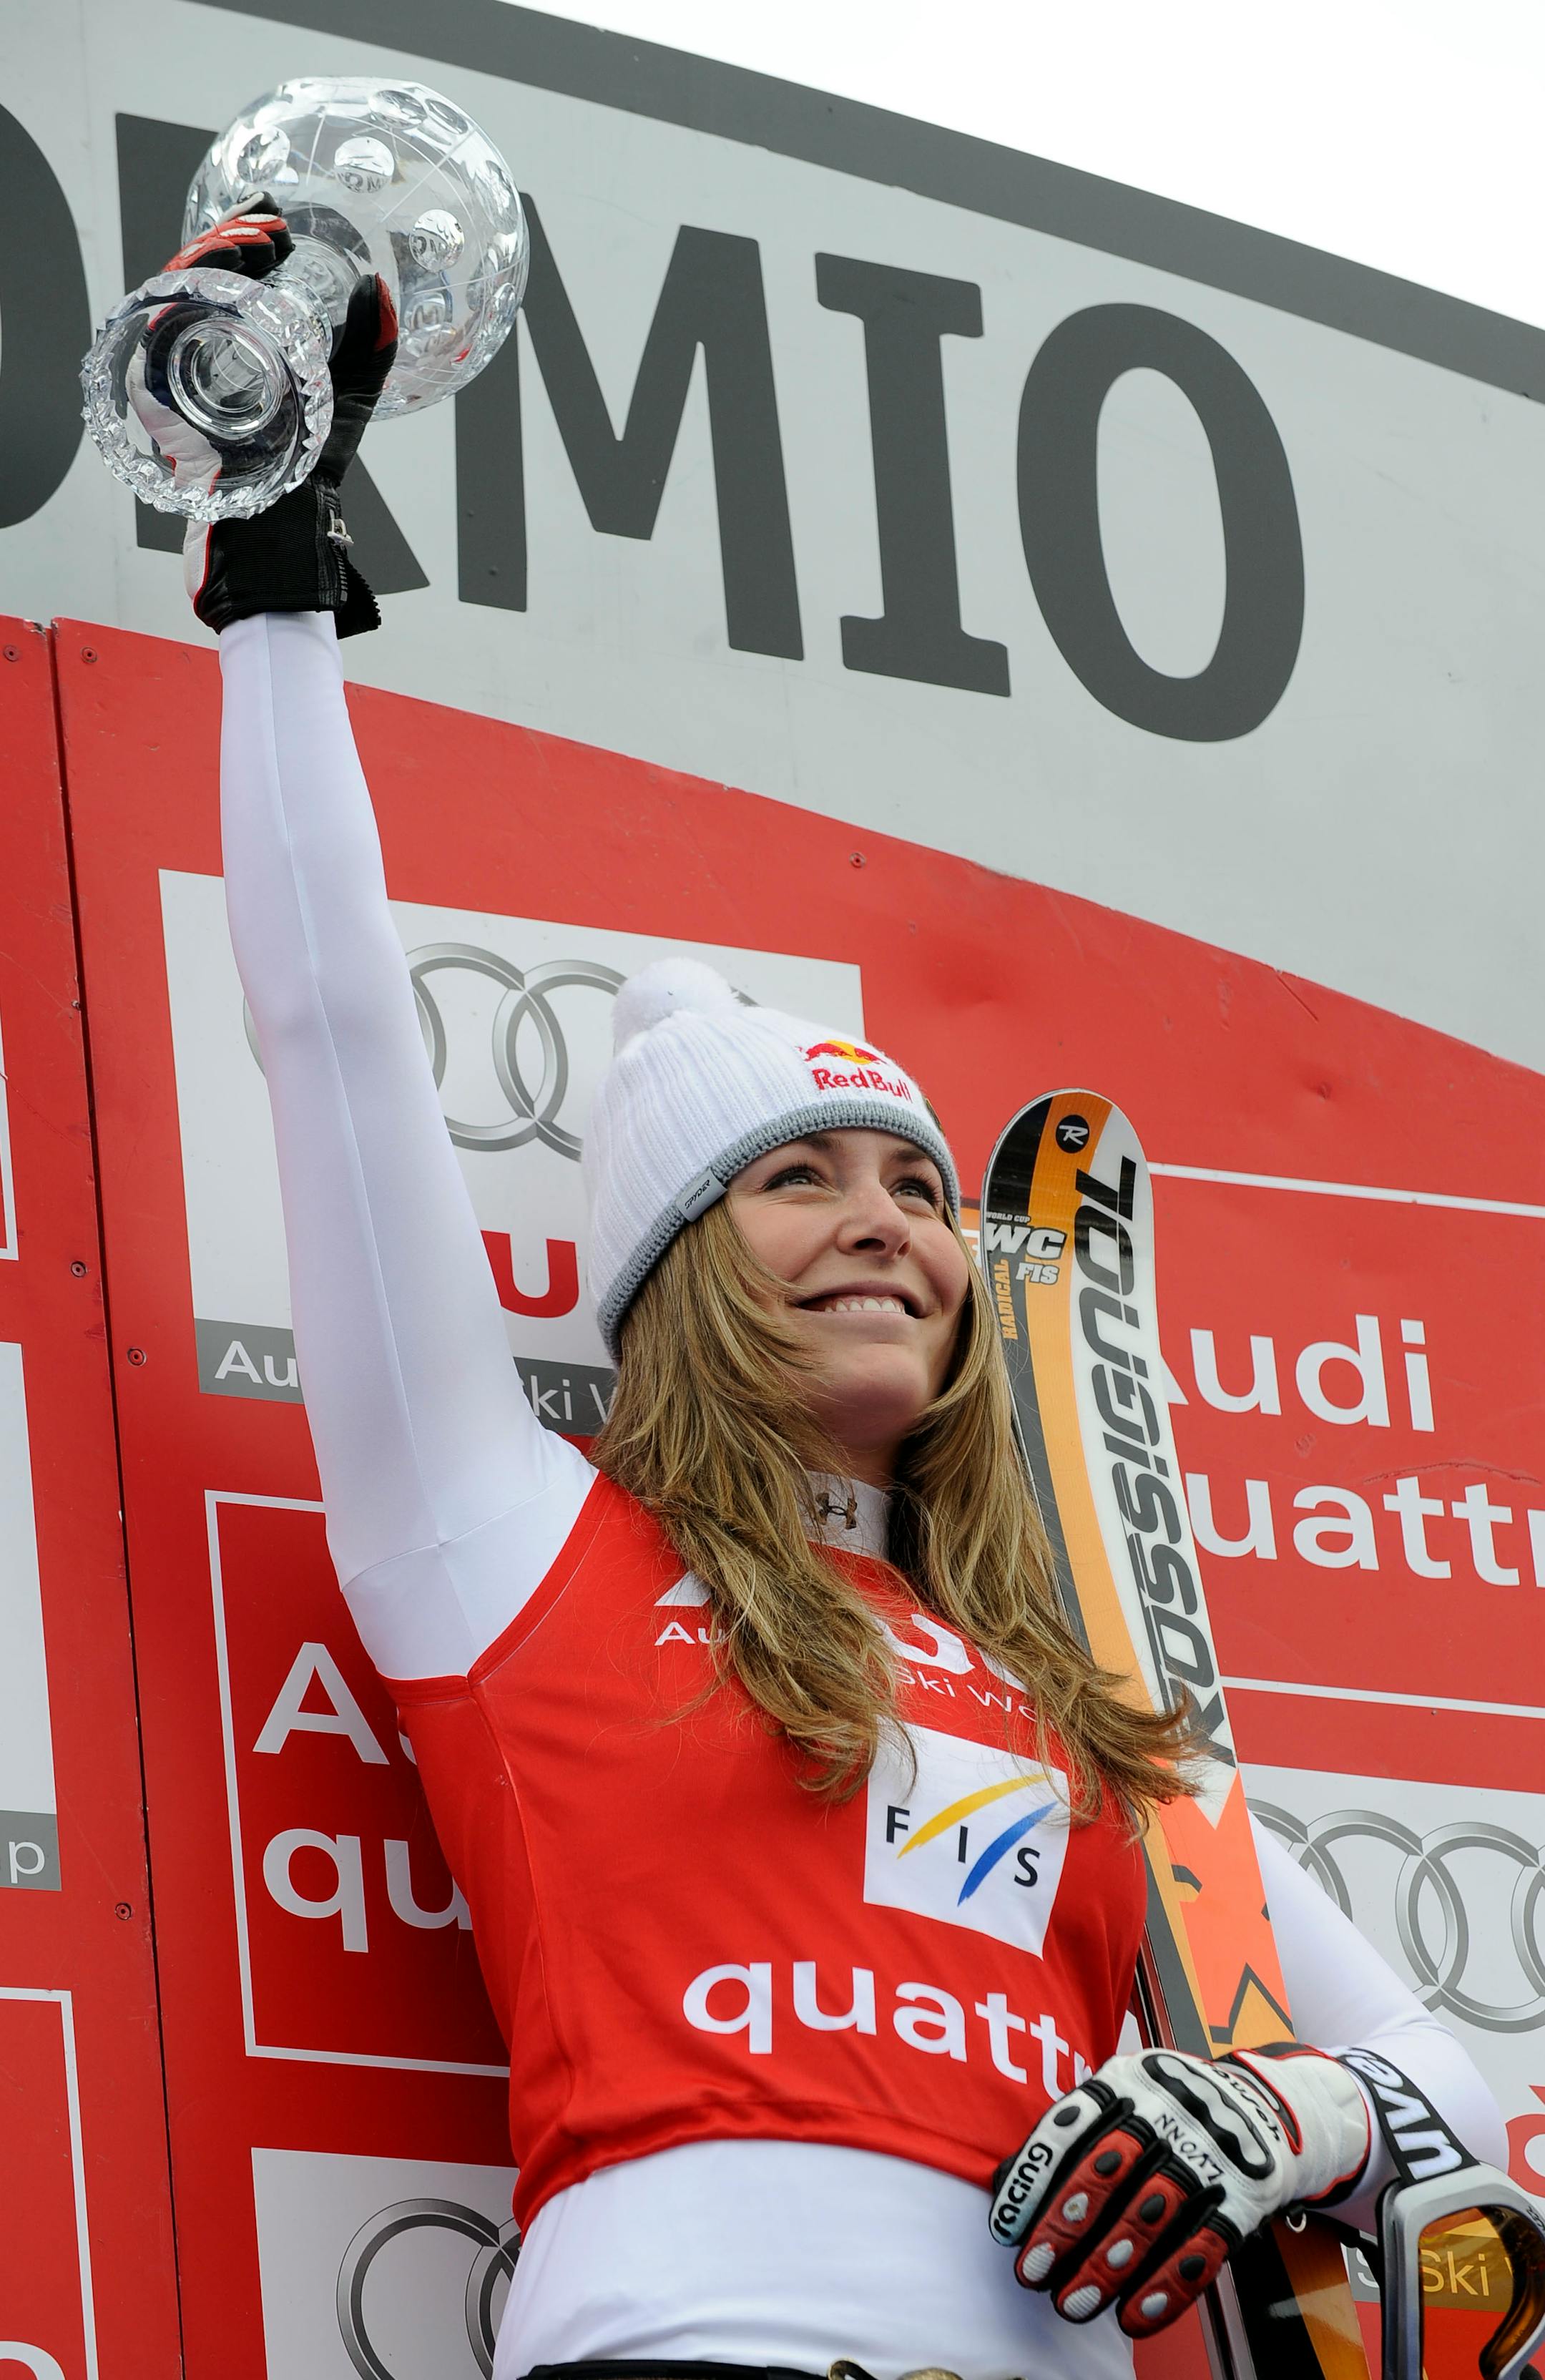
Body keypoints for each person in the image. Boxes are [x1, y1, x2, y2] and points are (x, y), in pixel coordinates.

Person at [139, 218, 1505, 2379]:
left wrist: (1287, 2109)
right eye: (794, 1179)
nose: (883, 1221)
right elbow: (335, 1037)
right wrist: (275, 579)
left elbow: (1482, 2108)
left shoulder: (1081, 1717)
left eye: (914, 1186)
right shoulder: (504, 1540)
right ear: (678, 1278)